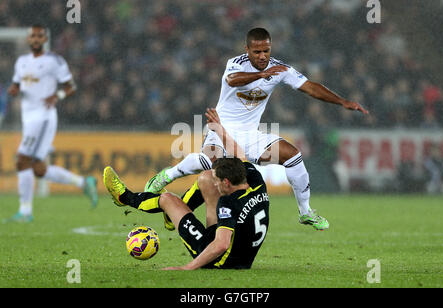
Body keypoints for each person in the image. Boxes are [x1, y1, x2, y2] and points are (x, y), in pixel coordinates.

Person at [145, 28, 368, 230]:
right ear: (248, 50)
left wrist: (342, 102)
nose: (262, 56)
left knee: (293, 156)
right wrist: (260, 75)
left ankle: (306, 212)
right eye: (257, 51)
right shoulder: (236, 63)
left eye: (266, 51)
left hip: (251, 135)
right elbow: (232, 80)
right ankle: (167, 176)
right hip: (220, 128)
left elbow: (310, 87)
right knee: (210, 164)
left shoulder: (280, 69)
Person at [103, 109, 270, 270]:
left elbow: (221, 244)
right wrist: (219, 129)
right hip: (242, 255)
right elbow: (239, 155)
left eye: (219, 182)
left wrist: (187, 267)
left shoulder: (229, 202)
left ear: (226, 182)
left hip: (219, 260)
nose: (216, 185)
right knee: (206, 177)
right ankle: (172, 215)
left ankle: (124, 197)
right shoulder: (256, 180)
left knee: (168, 199)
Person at [4, 25, 98, 223]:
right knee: (38, 168)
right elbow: (17, 84)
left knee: (22, 160)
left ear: (45, 39)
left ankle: (25, 212)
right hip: (28, 118)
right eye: (33, 36)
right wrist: (14, 89)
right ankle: (84, 182)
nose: (36, 39)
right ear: (28, 39)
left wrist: (58, 95)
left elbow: (71, 86)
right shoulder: (21, 62)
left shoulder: (54, 61)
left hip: (44, 117)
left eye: (40, 36)